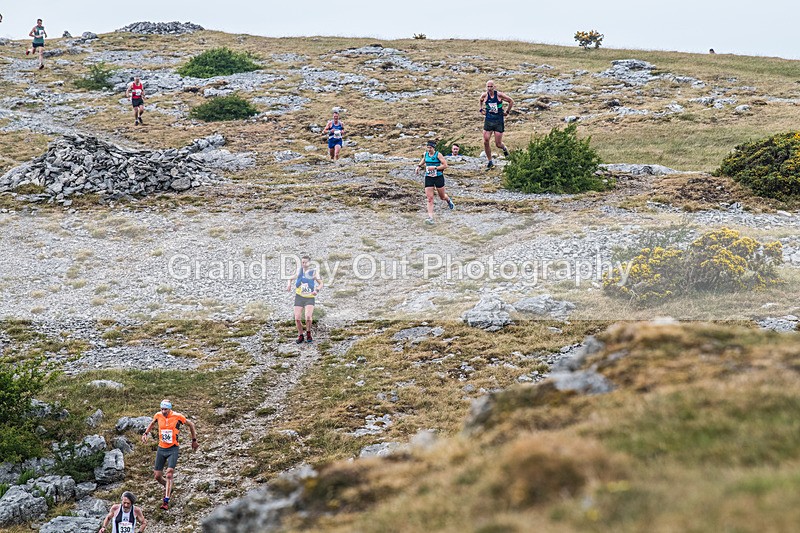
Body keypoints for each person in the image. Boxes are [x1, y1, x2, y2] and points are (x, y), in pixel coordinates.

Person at [141, 400, 198, 511]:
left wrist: (194, 440)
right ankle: (168, 486)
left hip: (173, 449)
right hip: (161, 449)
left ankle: (166, 500)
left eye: (165, 409)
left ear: (170, 409)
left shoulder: (177, 416)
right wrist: (146, 433)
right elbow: (152, 423)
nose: (163, 411)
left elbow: (191, 424)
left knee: (169, 473)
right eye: (162, 409)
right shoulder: (158, 415)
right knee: (157, 476)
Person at [415, 140, 454, 225]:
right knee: (430, 198)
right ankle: (430, 218)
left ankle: (448, 200)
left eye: (430, 148)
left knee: (442, 196)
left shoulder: (438, 155)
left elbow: (445, 165)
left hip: (438, 177)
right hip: (429, 177)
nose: (429, 149)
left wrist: (435, 168)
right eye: (428, 147)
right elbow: (424, 160)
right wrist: (418, 166)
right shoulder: (426, 154)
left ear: (434, 148)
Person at [286, 255, 323, 343]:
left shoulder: (313, 273)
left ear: (309, 263)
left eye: (305, 262)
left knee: (308, 317)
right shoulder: (299, 271)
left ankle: (308, 333)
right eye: (302, 262)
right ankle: (300, 335)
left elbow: (321, 283)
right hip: (299, 297)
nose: (304, 264)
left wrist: (316, 290)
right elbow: (290, 278)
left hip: (309, 298)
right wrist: (289, 284)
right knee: (297, 318)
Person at [479, 80, 514, 169]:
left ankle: (504, 149)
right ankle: (490, 161)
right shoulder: (484, 95)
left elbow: (511, 101)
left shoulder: (499, 95)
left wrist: (507, 112)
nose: (489, 88)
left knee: (498, 144)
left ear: (494, 87)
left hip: (498, 120)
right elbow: (481, 100)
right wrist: (481, 109)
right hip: (488, 120)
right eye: (488, 86)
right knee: (486, 141)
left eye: (491, 86)